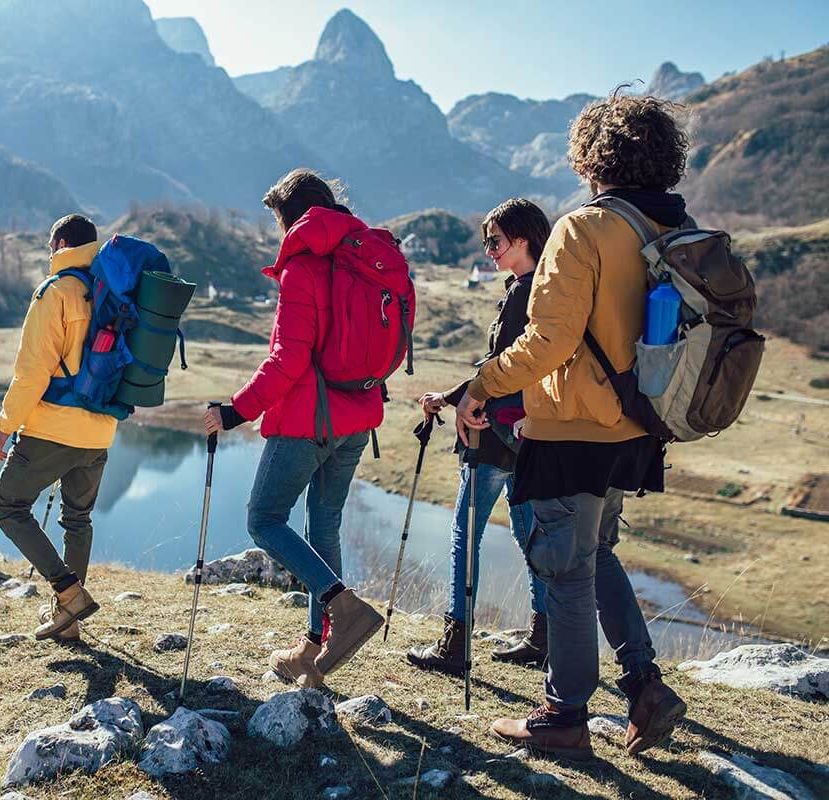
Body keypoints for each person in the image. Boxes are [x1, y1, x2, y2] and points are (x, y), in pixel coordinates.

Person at [456, 91, 689, 758]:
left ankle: (562, 717)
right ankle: (645, 685)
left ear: (592, 155)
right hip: (636, 428)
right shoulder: (671, 226)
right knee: (595, 555)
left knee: (564, 569)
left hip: (575, 430)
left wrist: (482, 385)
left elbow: (549, 342)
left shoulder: (584, 227)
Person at [203, 168, 390, 688]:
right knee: (322, 525)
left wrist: (235, 410)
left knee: (263, 518)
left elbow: (288, 360)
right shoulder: (366, 259)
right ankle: (315, 650)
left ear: (291, 217)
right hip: (358, 419)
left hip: (310, 421)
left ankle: (343, 610)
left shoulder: (304, 266)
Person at [406, 199, 551, 675]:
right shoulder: (547, 292)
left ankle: (455, 643)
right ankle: (544, 634)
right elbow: (508, 366)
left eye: (495, 241)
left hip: (490, 435)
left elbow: (497, 370)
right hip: (530, 435)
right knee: (531, 534)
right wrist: (450, 395)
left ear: (522, 240)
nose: (488, 250)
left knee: (464, 535)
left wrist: (452, 400)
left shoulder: (519, 295)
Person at [0, 214, 112, 643]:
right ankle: (68, 620)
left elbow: (33, 372)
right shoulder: (109, 291)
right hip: (101, 430)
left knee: (8, 505)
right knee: (77, 519)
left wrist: (6, 425)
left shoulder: (55, 292)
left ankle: (67, 590)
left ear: (60, 244)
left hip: (53, 427)